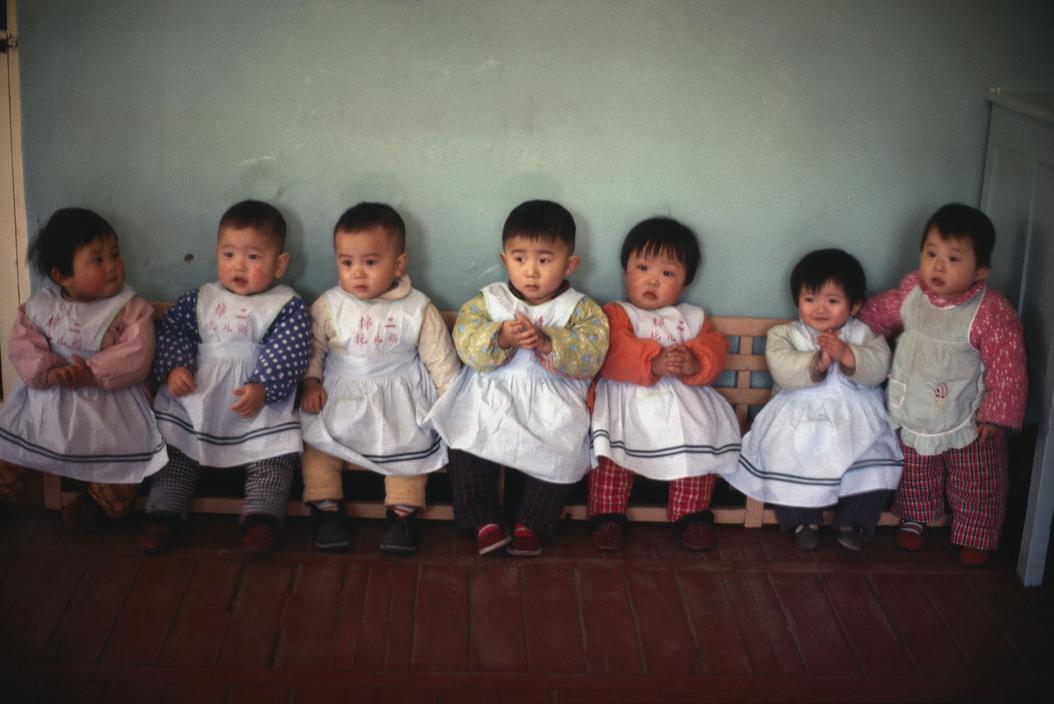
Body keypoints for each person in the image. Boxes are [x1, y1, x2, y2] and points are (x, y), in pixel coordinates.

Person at [427, 200, 609, 556]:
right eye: (520, 258)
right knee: (466, 436)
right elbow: (465, 342)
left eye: (545, 260)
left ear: (569, 263)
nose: (531, 272)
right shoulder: (489, 300)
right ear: (504, 258)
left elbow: (593, 353)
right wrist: (501, 337)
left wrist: (547, 341)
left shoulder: (582, 308)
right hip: (491, 394)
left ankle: (531, 523)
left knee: (565, 447)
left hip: (553, 401)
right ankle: (484, 520)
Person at [138, 200, 311, 555]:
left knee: (274, 455)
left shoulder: (285, 304)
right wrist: (175, 367)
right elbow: (173, 332)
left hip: (254, 400)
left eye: (253, 257)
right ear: (217, 252)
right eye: (230, 254)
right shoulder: (200, 298)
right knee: (176, 449)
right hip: (198, 396)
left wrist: (264, 385)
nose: (239, 266)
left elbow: (291, 348)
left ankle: (261, 518)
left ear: (279, 264)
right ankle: (164, 513)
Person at [858, 204, 1026, 566]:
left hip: (968, 414)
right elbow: (875, 317)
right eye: (931, 254)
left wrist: (996, 416)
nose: (937, 265)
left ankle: (976, 532)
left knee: (977, 478)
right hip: (915, 402)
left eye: (953, 258)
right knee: (916, 467)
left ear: (980, 270)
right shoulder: (911, 295)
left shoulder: (992, 312)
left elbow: (1008, 366)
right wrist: (848, 332)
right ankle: (915, 517)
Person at [299, 203, 460, 553]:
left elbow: (440, 358)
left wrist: (450, 401)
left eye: (370, 263)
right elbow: (312, 348)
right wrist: (310, 381)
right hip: (342, 394)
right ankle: (326, 508)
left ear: (398, 264)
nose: (357, 273)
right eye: (347, 262)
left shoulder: (418, 308)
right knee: (316, 441)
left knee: (411, 446)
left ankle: (402, 515)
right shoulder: (329, 305)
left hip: (398, 397)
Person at [725, 249, 903, 551]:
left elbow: (878, 367)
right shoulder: (785, 335)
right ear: (798, 300)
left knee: (874, 458)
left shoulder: (863, 335)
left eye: (832, 301)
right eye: (810, 299)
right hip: (798, 414)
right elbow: (782, 370)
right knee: (788, 454)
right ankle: (801, 520)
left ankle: (854, 521)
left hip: (855, 418)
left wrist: (847, 355)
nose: (819, 309)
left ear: (854, 304)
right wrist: (817, 364)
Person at [0, 208, 166, 529]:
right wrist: (48, 371)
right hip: (49, 398)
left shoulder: (129, 307)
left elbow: (138, 352)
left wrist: (93, 372)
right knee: (13, 441)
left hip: (109, 400)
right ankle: (5, 491)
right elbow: (22, 346)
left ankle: (99, 504)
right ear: (63, 276)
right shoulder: (41, 307)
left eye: (114, 255)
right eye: (97, 260)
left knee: (129, 454)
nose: (112, 267)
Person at [588, 217, 740, 551]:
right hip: (629, 400)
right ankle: (607, 515)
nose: (653, 279)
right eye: (642, 267)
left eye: (668, 273)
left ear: (684, 283)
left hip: (683, 404)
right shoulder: (617, 312)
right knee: (612, 454)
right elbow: (611, 350)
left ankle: (692, 514)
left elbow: (716, 348)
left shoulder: (693, 317)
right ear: (625, 270)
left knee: (699, 444)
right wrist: (652, 362)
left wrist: (695, 361)